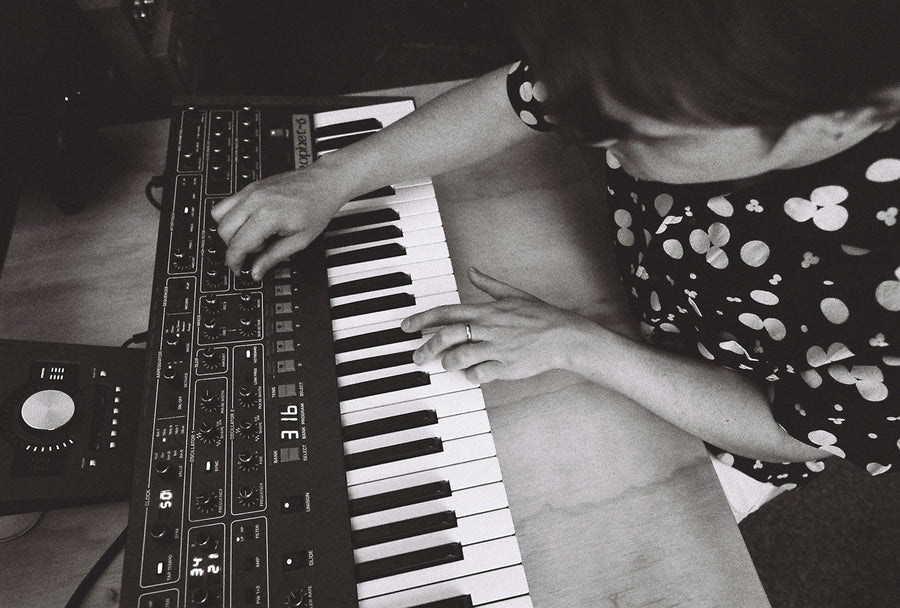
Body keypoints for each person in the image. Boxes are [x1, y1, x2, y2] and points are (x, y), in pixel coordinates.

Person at [211, 0, 900, 511]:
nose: (595, 144)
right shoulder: (680, 54)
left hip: (727, 418)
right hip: (637, 284)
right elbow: (519, 98)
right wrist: (337, 177)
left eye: (646, 134)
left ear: (846, 117)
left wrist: (581, 345)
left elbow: (801, 430)